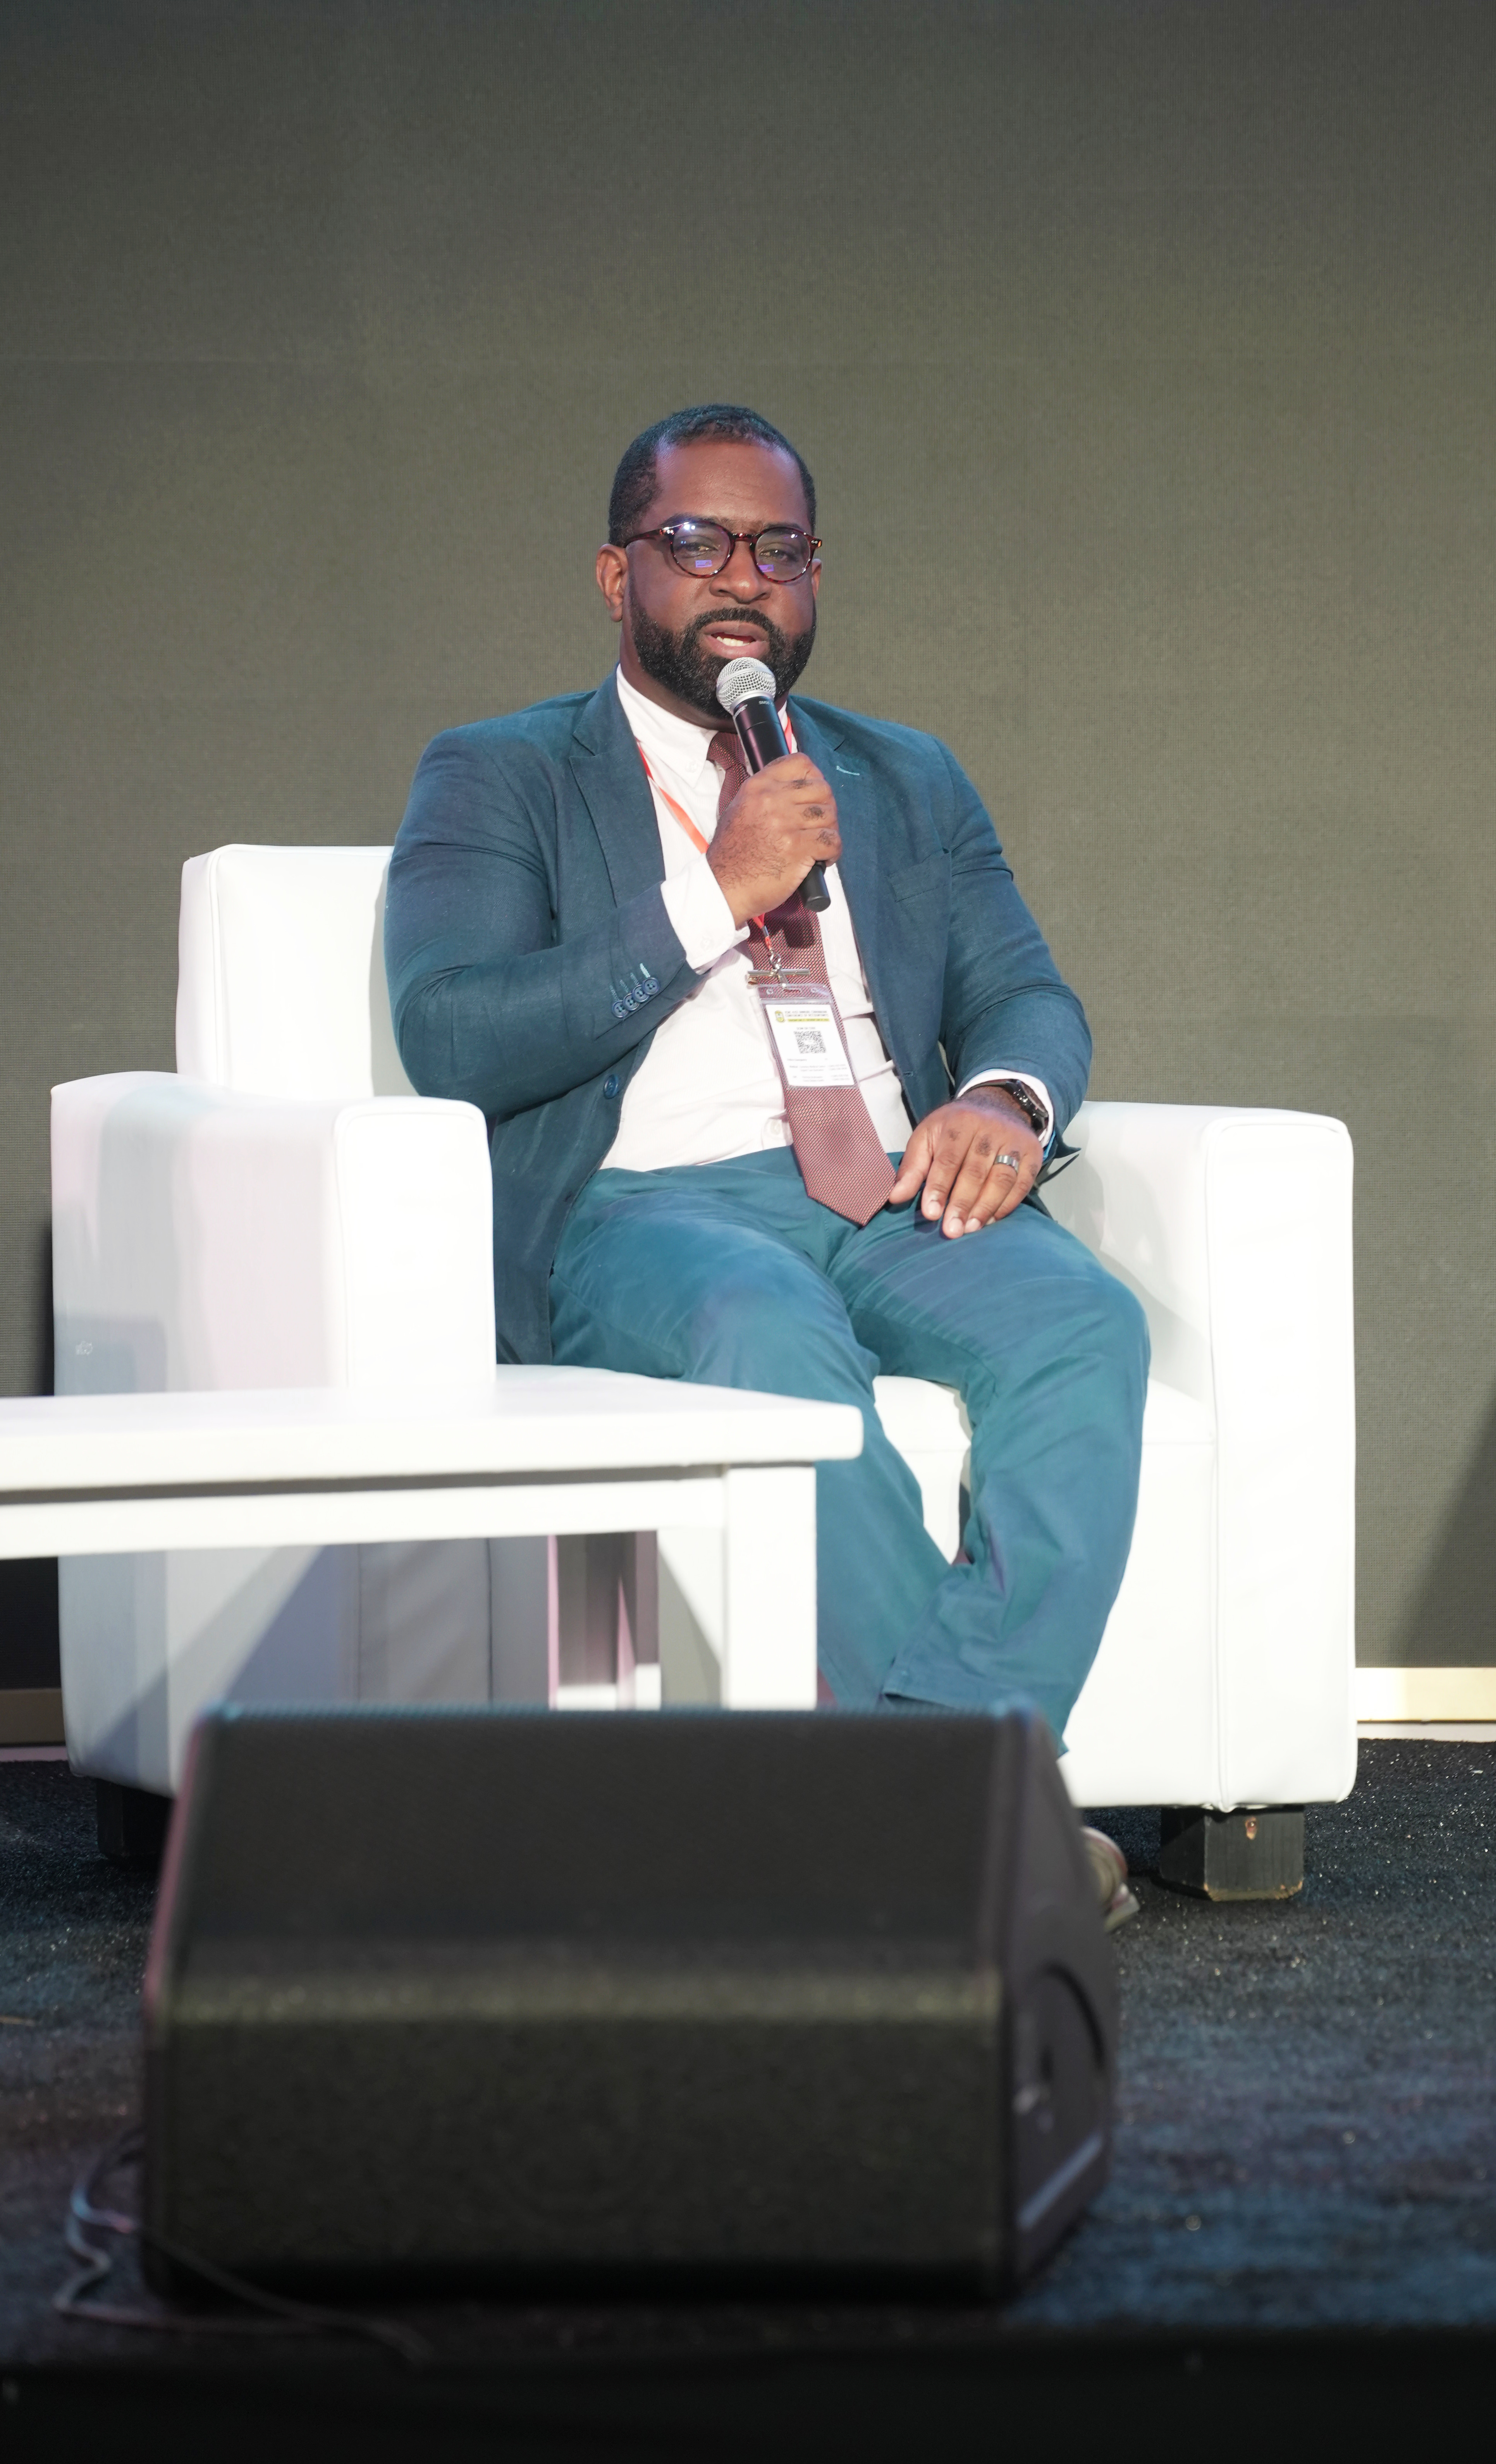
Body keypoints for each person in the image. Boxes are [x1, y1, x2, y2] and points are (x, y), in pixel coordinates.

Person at [385, 404, 1150, 1811]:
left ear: (814, 577)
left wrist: (1003, 1100)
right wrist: (716, 894)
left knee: (1083, 1320)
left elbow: (1025, 994)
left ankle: (943, 1785)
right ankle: (975, 1815)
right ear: (618, 576)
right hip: (647, 1209)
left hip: (892, 1189)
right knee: (765, 1329)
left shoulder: (906, 775)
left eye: (778, 549)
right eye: (696, 543)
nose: (742, 577)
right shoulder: (502, 770)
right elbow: (454, 1036)